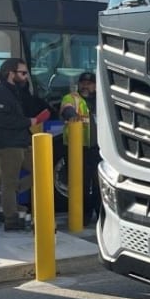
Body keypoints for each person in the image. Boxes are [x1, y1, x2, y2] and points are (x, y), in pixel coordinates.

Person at [0, 58, 49, 231]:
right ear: (10, 73)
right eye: (22, 73)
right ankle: (11, 219)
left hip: (21, 142)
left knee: (42, 172)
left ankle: (10, 196)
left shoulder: (15, 92)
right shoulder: (0, 93)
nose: (25, 76)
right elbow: (2, 119)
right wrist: (30, 121)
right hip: (8, 144)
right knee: (10, 180)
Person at [60, 71, 100, 225]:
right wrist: (71, 115)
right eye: (83, 83)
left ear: (95, 85)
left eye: (89, 84)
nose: (85, 86)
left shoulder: (101, 99)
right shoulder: (72, 98)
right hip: (77, 148)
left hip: (97, 148)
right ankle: (82, 217)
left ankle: (100, 215)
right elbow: (66, 108)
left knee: (98, 184)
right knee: (79, 184)